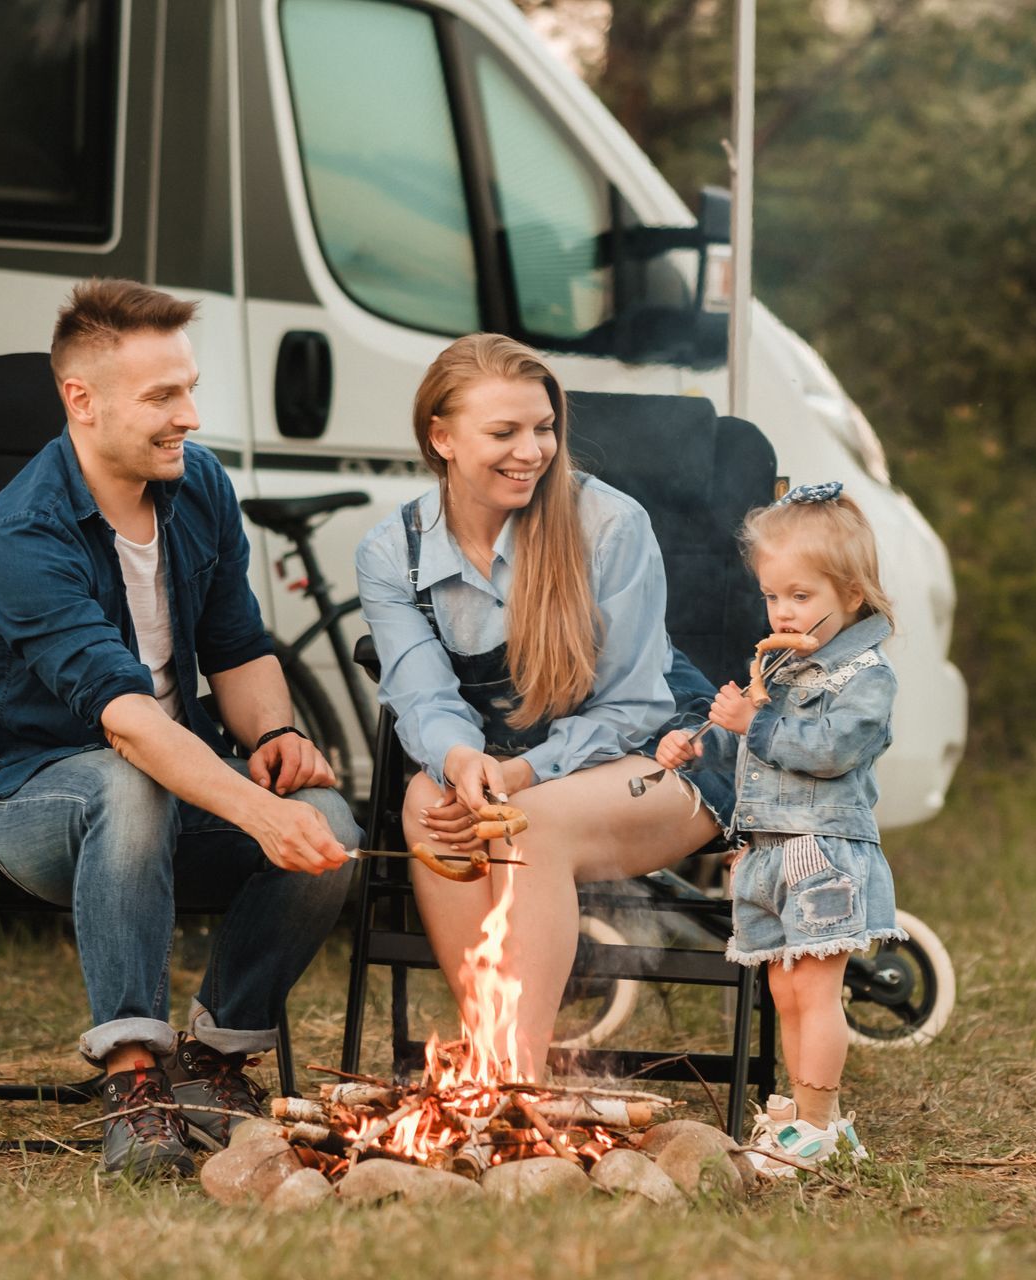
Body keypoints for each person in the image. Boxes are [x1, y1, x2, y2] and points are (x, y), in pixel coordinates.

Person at [0, 279, 357, 1179]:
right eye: (163, 397)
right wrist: (254, 810)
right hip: (30, 798)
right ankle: (135, 1082)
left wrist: (275, 737)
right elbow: (128, 724)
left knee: (334, 821)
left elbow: (239, 644)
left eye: (190, 389)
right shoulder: (26, 532)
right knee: (130, 782)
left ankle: (211, 1061)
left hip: (174, 781)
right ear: (80, 401)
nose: (191, 417)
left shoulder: (197, 486)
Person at [355, 334, 721, 1074]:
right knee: (429, 803)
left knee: (533, 824)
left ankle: (510, 1084)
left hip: (662, 752)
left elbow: (635, 707)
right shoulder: (393, 553)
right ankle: (499, 1061)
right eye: (505, 432)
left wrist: (525, 774)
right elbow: (422, 693)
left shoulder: (608, 525)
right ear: (442, 437)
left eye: (544, 427)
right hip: (509, 762)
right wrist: (461, 761)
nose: (533, 450)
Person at [654, 481, 905, 1173]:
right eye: (773, 596)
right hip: (768, 852)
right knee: (784, 988)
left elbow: (827, 751)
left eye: (802, 597)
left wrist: (755, 721)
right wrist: (702, 742)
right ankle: (800, 1115)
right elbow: (751, 759)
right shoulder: (781, 669)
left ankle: (818, 1128)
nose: (783, 611)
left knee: (816, 991)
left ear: (851, 594)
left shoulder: (866, 677)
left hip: (824, 853)